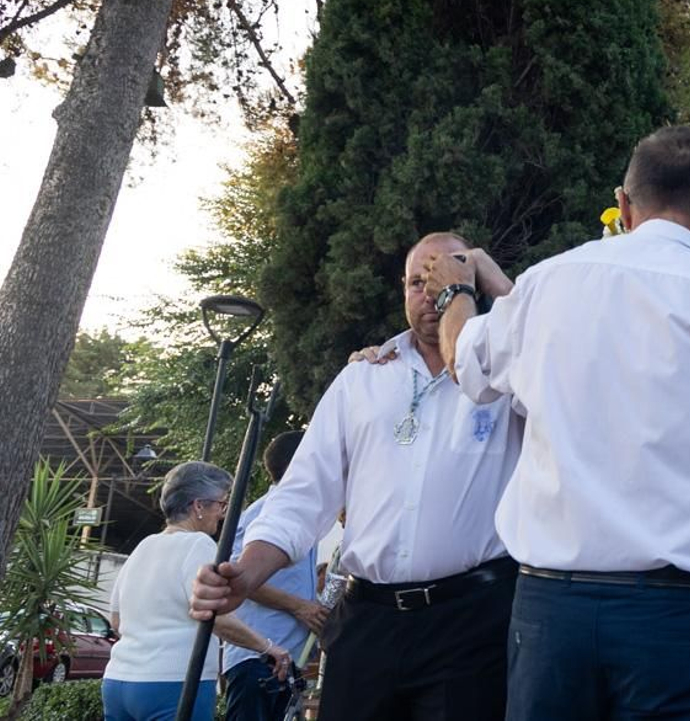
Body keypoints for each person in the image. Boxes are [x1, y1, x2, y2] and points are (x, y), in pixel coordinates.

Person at [435, 125, 690, 720]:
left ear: (622, 205)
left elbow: (464, 360)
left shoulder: (545, 285)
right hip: (681, 620)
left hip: (552, 614)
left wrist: (456, 290)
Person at [190, 231, 522, 721]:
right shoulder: (361, 379)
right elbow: (303, 494)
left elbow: (565, 364)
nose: (431, 293)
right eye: (417, 281)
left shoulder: (509, 370)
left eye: (447, 277)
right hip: (367, 620)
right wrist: (247, 572)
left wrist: (499, 287)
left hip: (473, 620)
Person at [104, 462, 289, 721]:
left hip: (118, 680)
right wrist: (267, 646)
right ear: (198, 506)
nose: (223, 514)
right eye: (221, 504)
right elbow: (216, 618)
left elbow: (117, 619)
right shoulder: (198, 544)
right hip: (173, 682)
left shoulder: (144, 546)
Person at [222, 431, 326, 721]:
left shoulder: (302, 514)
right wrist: (299, 606)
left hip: (283, 660)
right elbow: (238, 580)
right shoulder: (265, 513)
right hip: (258, 659)